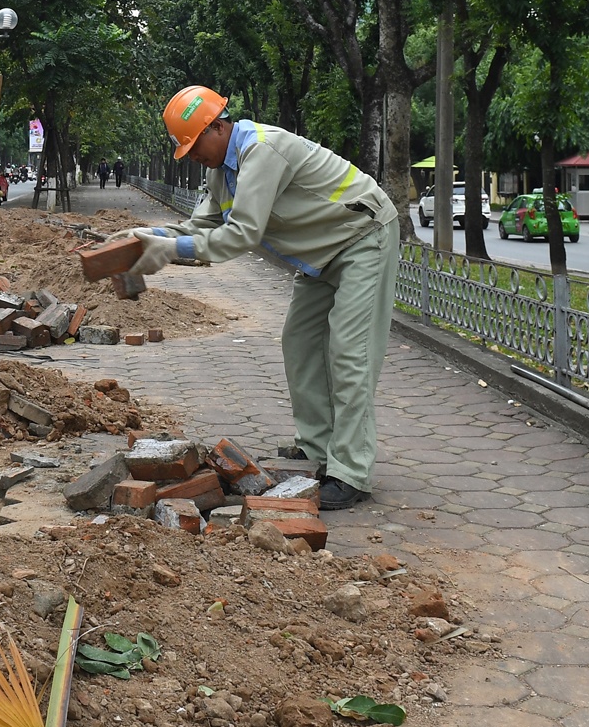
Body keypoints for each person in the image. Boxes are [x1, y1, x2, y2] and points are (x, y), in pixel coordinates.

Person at [120, 85, 397, 511]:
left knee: (349, 354)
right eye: (186, 151)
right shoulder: (218, 172)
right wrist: (146, 238)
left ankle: (351, 473)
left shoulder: (263, 150)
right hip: (320, 255)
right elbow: (200, 228)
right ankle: (316, 449)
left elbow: (242, 235)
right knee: (299, 344)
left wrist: (171, 251)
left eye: (196, 146)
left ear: (218, 125)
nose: (194, 157)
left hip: (362, 239)